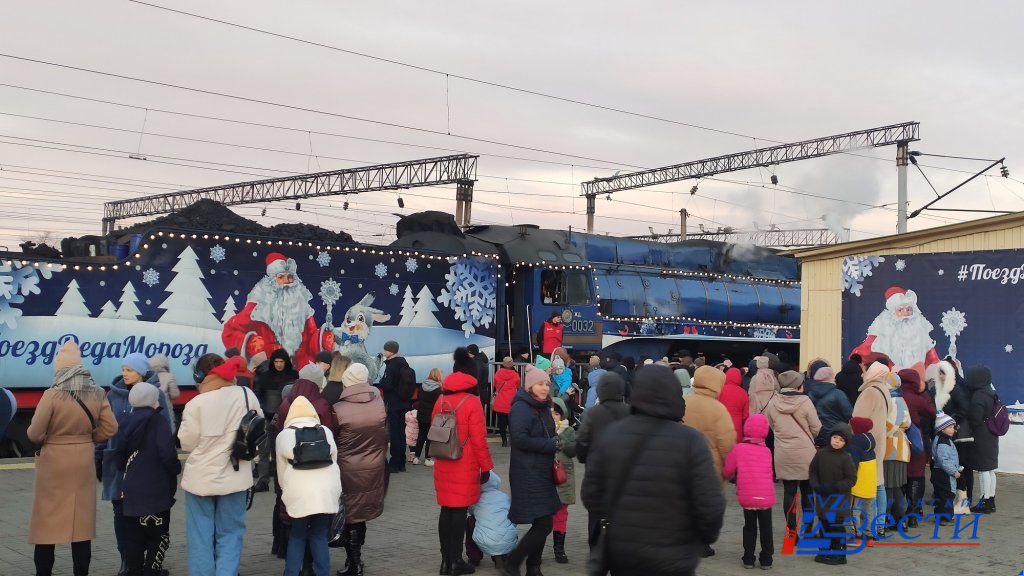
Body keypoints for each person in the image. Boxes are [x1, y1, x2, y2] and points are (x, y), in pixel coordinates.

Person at [581, 365, 725, 576]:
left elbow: (591, 494)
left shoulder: (613, 435)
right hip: (674, 554)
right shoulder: (692, 441)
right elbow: (710, 504)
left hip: (624, 552)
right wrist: (701, 538)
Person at [28, 342, 118, 576]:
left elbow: (34, 433)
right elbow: (110, 428)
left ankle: (44, 573)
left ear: (60, 368)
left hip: (54, 462)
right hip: (83, 459)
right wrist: (87, 438)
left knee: (46, 523)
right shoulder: (98, 392)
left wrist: (51, 438)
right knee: (81, 524)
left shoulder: (52, 394)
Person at [178, 354, 262, 576]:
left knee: (200, 536)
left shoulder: (196, 403)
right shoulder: (246, 395)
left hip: (201, 480)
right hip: (236, 477)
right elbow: (258, 427)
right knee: (231, 533)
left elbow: (187, 442)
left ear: (201, 376)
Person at [98, 352, 173, 575]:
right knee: (120, 513)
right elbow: (105, 428)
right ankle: (127, 560)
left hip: (146, 468)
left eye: (129, 370)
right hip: (117, 464)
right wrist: (99, 456)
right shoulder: (114, 395)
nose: (125, 373)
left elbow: (166, 428)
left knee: (145, 516)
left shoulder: (155, 394)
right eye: (123, 369)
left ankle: (148, 562)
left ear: (141, 372)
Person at [433, 357, 494, 576]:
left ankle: (444, 561)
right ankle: (456, 561)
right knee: (458, 511)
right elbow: (479, 439)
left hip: (443, 459)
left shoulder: (440, 399)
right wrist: (486, 467)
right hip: (464, 461)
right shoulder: (472, 402)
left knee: (446, 510)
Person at [114, 382, 181, 576]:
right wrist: (175, 468)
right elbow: (167, 454)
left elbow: (117, 454)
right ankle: (152, 570)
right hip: (155, 492)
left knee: (133, 538)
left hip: (131, 492)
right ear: (154, 400)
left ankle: (134, 570)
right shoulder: (158, 421)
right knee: (158, 537)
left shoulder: (124, 420)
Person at [221, 251, 332, 368]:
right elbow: (229, 332)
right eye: (281, 277)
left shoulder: (302, 307)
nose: (287, 282)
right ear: (272, 281)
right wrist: (252, 344)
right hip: (267, 369)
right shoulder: (258, 307)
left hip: (296, 371)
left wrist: (323, 337)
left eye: (290, 277)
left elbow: (311, 339)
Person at [502, 364, 561, 576]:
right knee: (544, 523)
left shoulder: (542, 406)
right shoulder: (520, 407)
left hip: (542, 471)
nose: (545, 388)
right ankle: (513, 562)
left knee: (542, 519)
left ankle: (533, 568)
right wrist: (551, 444)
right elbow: (519, 439)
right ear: (529, 386)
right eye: (540, 384)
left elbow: (546, 434)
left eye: (547, 383)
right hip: (527, 472)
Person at [331, 363, 388, 576]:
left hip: (347, 468)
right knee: (361, 512)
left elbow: (334, 439)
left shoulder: (339, 409)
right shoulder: (379, 403)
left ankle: (354, 563)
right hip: (373, 465)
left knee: (350, 513)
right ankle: (356, 557)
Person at [276, 396, 342, 576]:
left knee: (297, 535)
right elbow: (334, 460)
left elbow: (281, 473)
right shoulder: (326, 431)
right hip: (325, 490)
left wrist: (286, 493)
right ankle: (322, 573)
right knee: (319, 534)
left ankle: (291, 573)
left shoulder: (284, 435)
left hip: (298, 491)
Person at [763, 370, 821, 540]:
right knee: (808, 492)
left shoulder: (773, 402)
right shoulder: (805, 401)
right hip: (805, 453)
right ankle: (809, 531)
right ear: (798, 384)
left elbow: (771, 426)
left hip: (783, 452)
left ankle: (791, 533)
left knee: (789, 492)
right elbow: (816, 427)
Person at [722, 413, 775, 570]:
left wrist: (726, 476)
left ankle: (748, 559)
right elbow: (770, 473)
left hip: (748, 497)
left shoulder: (739, 449)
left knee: (750, 527)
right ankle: (766, 559)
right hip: (765, 497)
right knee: (766, 527)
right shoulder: (767, 451)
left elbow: (728, 470)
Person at [852, 360, 893, 537]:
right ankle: (880, 525)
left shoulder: (869, 391)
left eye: (865, 370)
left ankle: (869, 526)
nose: (862, 373)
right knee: (879, 483)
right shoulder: (884, 389)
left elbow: (857, 418)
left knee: (867, 486)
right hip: (879, 440)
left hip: (865, 442)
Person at [808, 424, 857, 565]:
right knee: (824, 525)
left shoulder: (846, 458)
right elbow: (813, 471)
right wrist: (815, 485)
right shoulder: (821, 454)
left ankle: (840, 554)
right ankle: (824, 551)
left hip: (839, 500)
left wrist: (835, 487)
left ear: (845, 443)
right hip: (823, 499)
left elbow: (852, 479)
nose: (837, 441)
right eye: (835, 437)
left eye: (841, 440)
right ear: (830, 437)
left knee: (836, 527)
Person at [897, 368, 936, 526]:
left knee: (899, 476)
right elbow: (933, 412)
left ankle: (897, 511)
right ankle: (912, 514)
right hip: (915, 440)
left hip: (897, 440)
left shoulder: (894, 396)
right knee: (916, 475)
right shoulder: (917, 399)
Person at [686, 366, 738, 476]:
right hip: (710, 468)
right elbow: (726, 443)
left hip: (684, 464)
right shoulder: (718, 409)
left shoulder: (684, 402)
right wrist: (729, 468)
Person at [966, 366, 1000, 513]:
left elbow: (975, 418)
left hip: (982, 435)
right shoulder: (991, 392)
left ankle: (984, 502)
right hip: (992, 435)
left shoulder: (978, 395)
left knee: (983, 469)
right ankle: (990, 500)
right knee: (990, 469)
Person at [468, 472, 517, 570]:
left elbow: (471, 511)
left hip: (485, 541)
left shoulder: (475, 499)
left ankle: (474, 557)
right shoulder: (504, 496)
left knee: (470, 520)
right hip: (509, 541)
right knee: (507, 520)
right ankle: (503, 555)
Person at [882, 370, 911, 530]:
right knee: (896, 486)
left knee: (888, 486)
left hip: (891, 447)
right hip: (901, 448)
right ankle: (900, 519)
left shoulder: (891, 401)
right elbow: (907, 423)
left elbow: (888, 425)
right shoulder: (901, 399)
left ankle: (887, 519)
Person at [378, 340, 413, 473]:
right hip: (403, 403)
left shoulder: (392, 365)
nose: (384, 351)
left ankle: (394, 463)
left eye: (385, 349)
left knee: (394, 433)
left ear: (390, 351)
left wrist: (381, 382)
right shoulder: (404, 363)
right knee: (401, 433)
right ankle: (402, 463)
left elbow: (388, 384)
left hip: (393, 403)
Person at [550, 397, 576, 565]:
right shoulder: (542, 429)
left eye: (556, 413)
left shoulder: (569, 431)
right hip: (546, 479)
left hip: (563, 478)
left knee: (561, 515)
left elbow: (573, 451)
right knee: (544, 517)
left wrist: (559, 439)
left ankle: (559, 550)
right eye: (550, 413)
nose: (553, 416)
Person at [847, 417, 877, 545]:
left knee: (854, 510)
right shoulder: (871, 443)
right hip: (870, 484)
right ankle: (869, 536)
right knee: (869, 511)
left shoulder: (854, 445)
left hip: (858, 484)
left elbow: (852, 465)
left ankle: (857, 536)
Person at [806, 366, 853, 447]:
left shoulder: (810, 394)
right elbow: (849, 414)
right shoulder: (838, 394)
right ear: (830, 378)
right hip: (836, 436)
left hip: (816, 435)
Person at [931, 412, 961, 523]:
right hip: (944, 474)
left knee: (942, 495)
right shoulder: (943, 442)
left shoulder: (942, 439)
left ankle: (943, 514)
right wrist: (954, 471)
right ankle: (944, 516)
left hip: (940, 472)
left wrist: (958, 467)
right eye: (950, 427)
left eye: (953, 427)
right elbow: (944, 460)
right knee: (946, 495)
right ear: (942, 429)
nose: (953, 429)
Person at [415, 368, 444, 465]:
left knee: (421, 436)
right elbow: (439, 403)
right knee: (430, 437)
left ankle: (416, 457)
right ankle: (428, 459)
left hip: (421, 414)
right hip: (431, 416)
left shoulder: (421, 386)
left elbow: (418, 399)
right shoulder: (438, 389)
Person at [492, 358, 521, 447]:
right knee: (512, 423)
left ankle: (504, 441)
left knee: (502, 423)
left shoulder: (498, 373)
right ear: (512, 365)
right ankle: (512, 441)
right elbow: (518, 386)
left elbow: (495, 384)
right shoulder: (516, 375)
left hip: (500, 402)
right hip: (511, 402)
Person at [718, 367, 749, 444]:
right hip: (736, 428)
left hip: (721, 425)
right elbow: (746, 415)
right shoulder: (743, 393)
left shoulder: (719, 390)